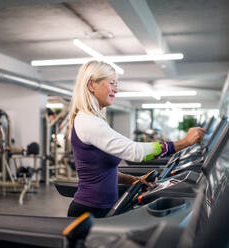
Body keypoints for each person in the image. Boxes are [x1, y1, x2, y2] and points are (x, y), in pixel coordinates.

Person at [67, 61, 206, 218]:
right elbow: (135, 152)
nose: (116, 90)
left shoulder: (94, 120)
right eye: (111, 83)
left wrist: (133, 180)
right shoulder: (88, 121)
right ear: (91, 85)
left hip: (101, 207)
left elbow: (99, 170)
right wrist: (183, 143)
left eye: (116, 84)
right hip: (89, 211)